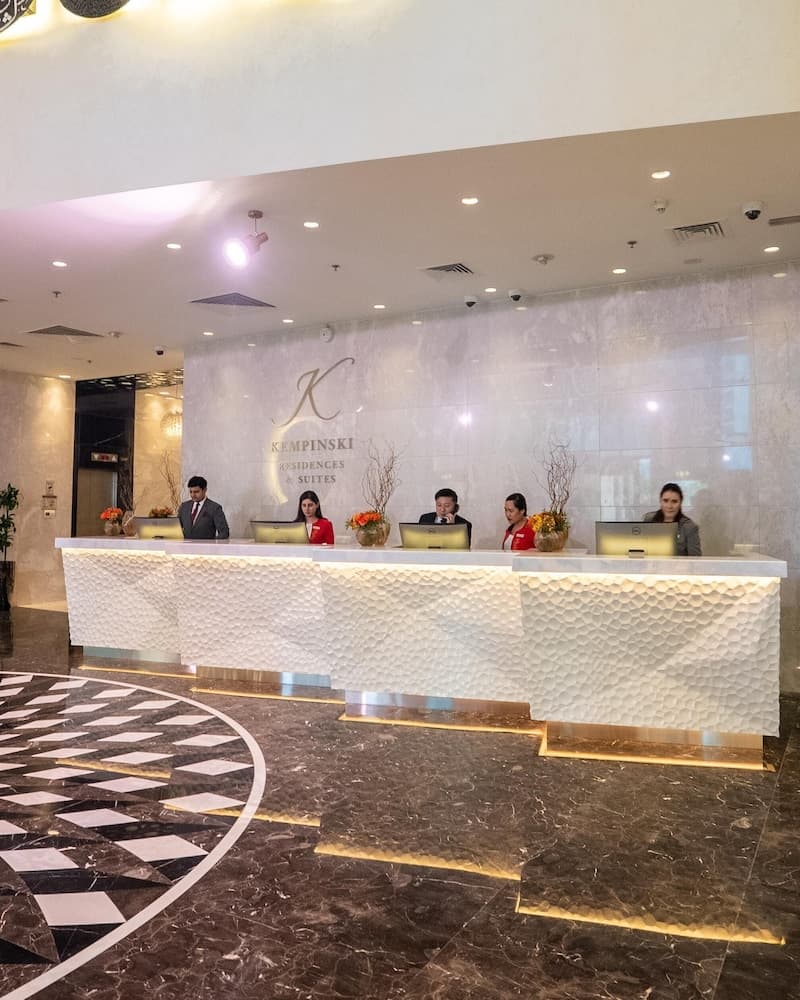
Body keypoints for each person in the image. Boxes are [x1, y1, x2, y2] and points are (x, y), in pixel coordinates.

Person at [644, 482, 701, 556]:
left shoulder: (689, 527)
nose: (669, 506)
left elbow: (695, 559)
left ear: (680, 503)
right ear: (660, 501)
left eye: (674, 501)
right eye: (665, 501)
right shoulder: (649, 519)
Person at [178, 475, 230, 540]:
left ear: (205, 490)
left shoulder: (215, 508)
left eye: (196, 492)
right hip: (184, 546)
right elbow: (177, 528)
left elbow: (224, 532)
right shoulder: (184, 507)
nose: (193, 495)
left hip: (206, 546)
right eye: (191, 492)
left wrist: (213, 543)